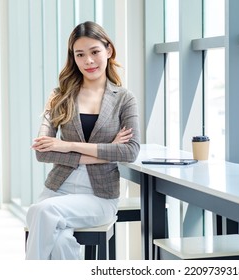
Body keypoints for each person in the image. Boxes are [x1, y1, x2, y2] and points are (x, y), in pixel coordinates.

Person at [26, 21, 140, 260]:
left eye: (95, 52)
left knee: (41, 212)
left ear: (108, 51)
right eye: (80, 54)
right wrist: (103, 151)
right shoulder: (60, 96)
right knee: (60, 243)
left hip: (99, 197)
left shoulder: (124, 99)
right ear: (73, 58)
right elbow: (42, 151)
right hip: (57, 190)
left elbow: (130, 151)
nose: (88, 61)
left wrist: (67, 146)